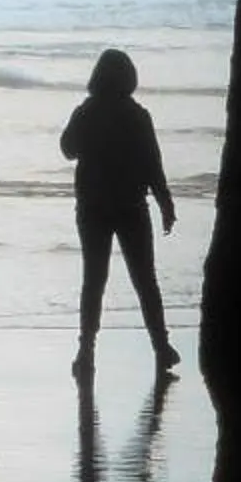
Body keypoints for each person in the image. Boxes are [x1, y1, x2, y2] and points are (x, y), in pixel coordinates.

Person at [60, 46, 179, 384]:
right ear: (129, 78)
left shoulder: (87, 111)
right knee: (146, 280)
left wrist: (85, 121)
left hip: (93, 207)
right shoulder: (138, 115)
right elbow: (153, 165)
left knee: (94, 280)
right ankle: (162, 346)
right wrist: (165, 203)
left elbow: (67, 149)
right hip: (130, 206)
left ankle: (86, 352)